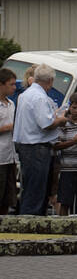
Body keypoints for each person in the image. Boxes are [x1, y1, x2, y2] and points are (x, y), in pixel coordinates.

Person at [12, 64, 68, 215]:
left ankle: (28, 220)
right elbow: (46, 124)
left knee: (30, 187)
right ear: (50, 81)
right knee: (36, 190)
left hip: (26, 146)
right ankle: (31, 222)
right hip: (36, 147)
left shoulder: (25, 95)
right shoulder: (40, 97)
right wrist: (61, 120)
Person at [53, 92, 77, 216]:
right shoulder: (64, 124)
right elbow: (57, 145)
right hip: (68, 169)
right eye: (74, 107)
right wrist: (73, 141)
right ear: (70, 107)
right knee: (65, 202)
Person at [0, 67, 18, 215]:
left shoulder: (11, 104)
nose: (14, 87)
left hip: (11, 157)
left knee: (8, 197)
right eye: (11, 84)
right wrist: (9, 127)